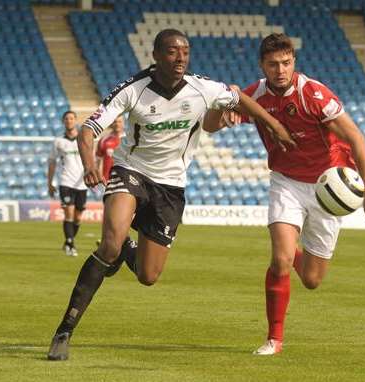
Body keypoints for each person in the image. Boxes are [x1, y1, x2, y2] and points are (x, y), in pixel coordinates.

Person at [47, 28, 295, 361]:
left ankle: (126, 250)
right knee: (109, 242)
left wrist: (274, 125)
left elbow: (239, 98)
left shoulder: (201, 88)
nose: (180, 59)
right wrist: (90, 164)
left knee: (148, 276)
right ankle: (64, 331)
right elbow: (88, 131)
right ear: (156, 55)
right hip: (130, 172)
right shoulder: (133, 89)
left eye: (185, 52)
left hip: (170, 187)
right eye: (172, 52)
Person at [203, 33, 365, 355]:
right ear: (262, 65)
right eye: (273, 64)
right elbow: (209, 126)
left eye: (286, 63)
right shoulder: (255, 94)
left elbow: (357, 139)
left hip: (326, 187)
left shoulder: (314, 95)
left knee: (313, 279)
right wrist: (224, 110)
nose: (280, 70)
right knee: (280, 259)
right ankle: (274, 339)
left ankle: (292, 256)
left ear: (294, 63)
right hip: (286, 182)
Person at [47, 111, 87, 257]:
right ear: (63, 121)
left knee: (78, 217)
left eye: (71, 118)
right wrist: (50, 182)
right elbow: (52, 162)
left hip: (81, 183)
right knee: (69, 213)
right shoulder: (58, 141)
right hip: (66, 181)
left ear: (76, 120)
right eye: (66, 119)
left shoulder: (84, 139)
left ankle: (68, 241)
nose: (69, 121)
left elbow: (91, 159)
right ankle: (70, 244)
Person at [95, 115, 125, 182]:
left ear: (123, 123)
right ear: (111, 123)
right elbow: (97, 161)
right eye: (115, 122)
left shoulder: (129, 140)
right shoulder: (104, 140)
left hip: (125, 180)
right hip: (108, 179)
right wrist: (98, 176)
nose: (117, 124)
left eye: (119, 122)